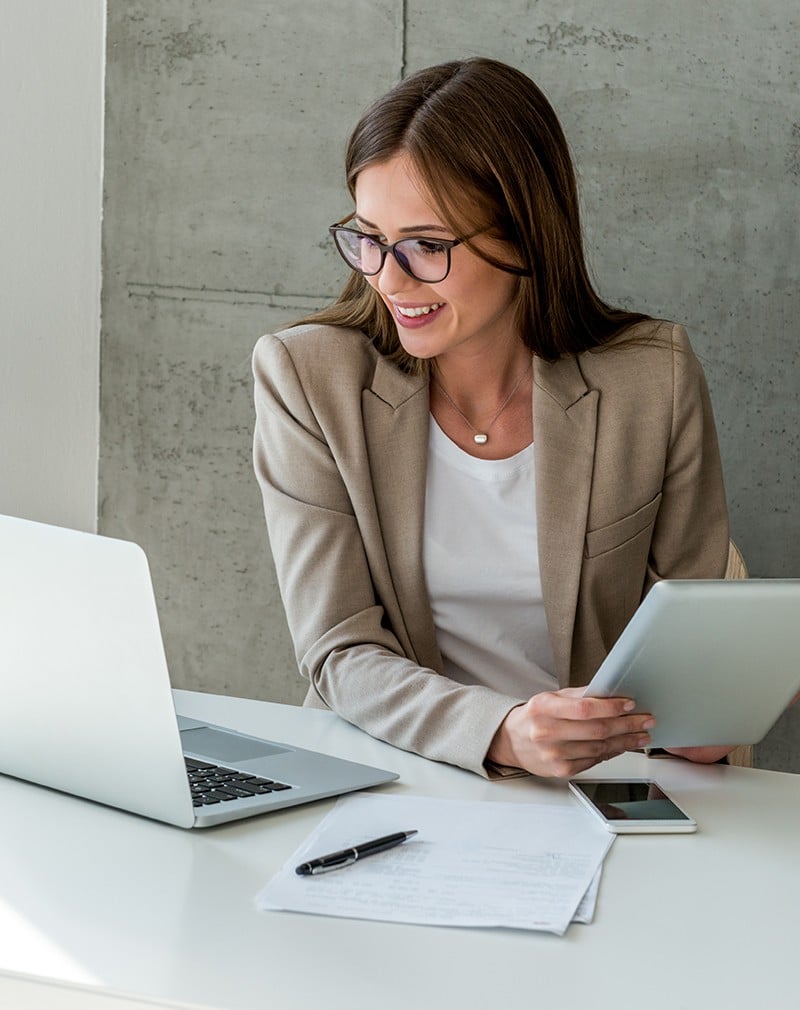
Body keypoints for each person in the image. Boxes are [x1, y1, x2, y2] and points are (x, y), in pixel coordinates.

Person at [252, 57, 733, 779]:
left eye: (427, 245)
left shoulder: (651, 380)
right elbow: (338, 651)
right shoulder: (308, 378)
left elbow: (689, 652)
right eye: (369, 237)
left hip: (599, 789)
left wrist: (706, 711)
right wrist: (502, 731)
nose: (388, 277)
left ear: (524, 236)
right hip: (396, 772)